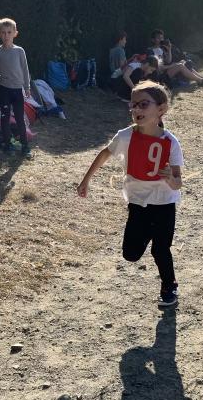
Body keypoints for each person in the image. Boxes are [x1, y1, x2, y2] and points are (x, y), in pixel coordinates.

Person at [77, 80, 184, 308]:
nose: (136, 109)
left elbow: (178, 184)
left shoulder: (170, 142)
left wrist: (169, 178)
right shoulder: (125, 136)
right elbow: (105, 154)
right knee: (131, 254)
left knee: (160, 249)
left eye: (143, 104)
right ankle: (148, 232)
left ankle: (169, 287)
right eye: (133, 105)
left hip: (164, 203)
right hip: (137, 202)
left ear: (161, 109)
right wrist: (86, 180)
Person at [0, 16, 31, 154]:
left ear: (15, 33)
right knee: (5, 118)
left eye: (9, 32)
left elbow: (25, 69)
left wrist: (27, 87)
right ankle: (7, 144)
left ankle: (25, 145)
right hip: (4, 90)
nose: (6, 35)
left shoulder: (20, 51)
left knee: (20, 118)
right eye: (3, 32)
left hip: (18, 90)